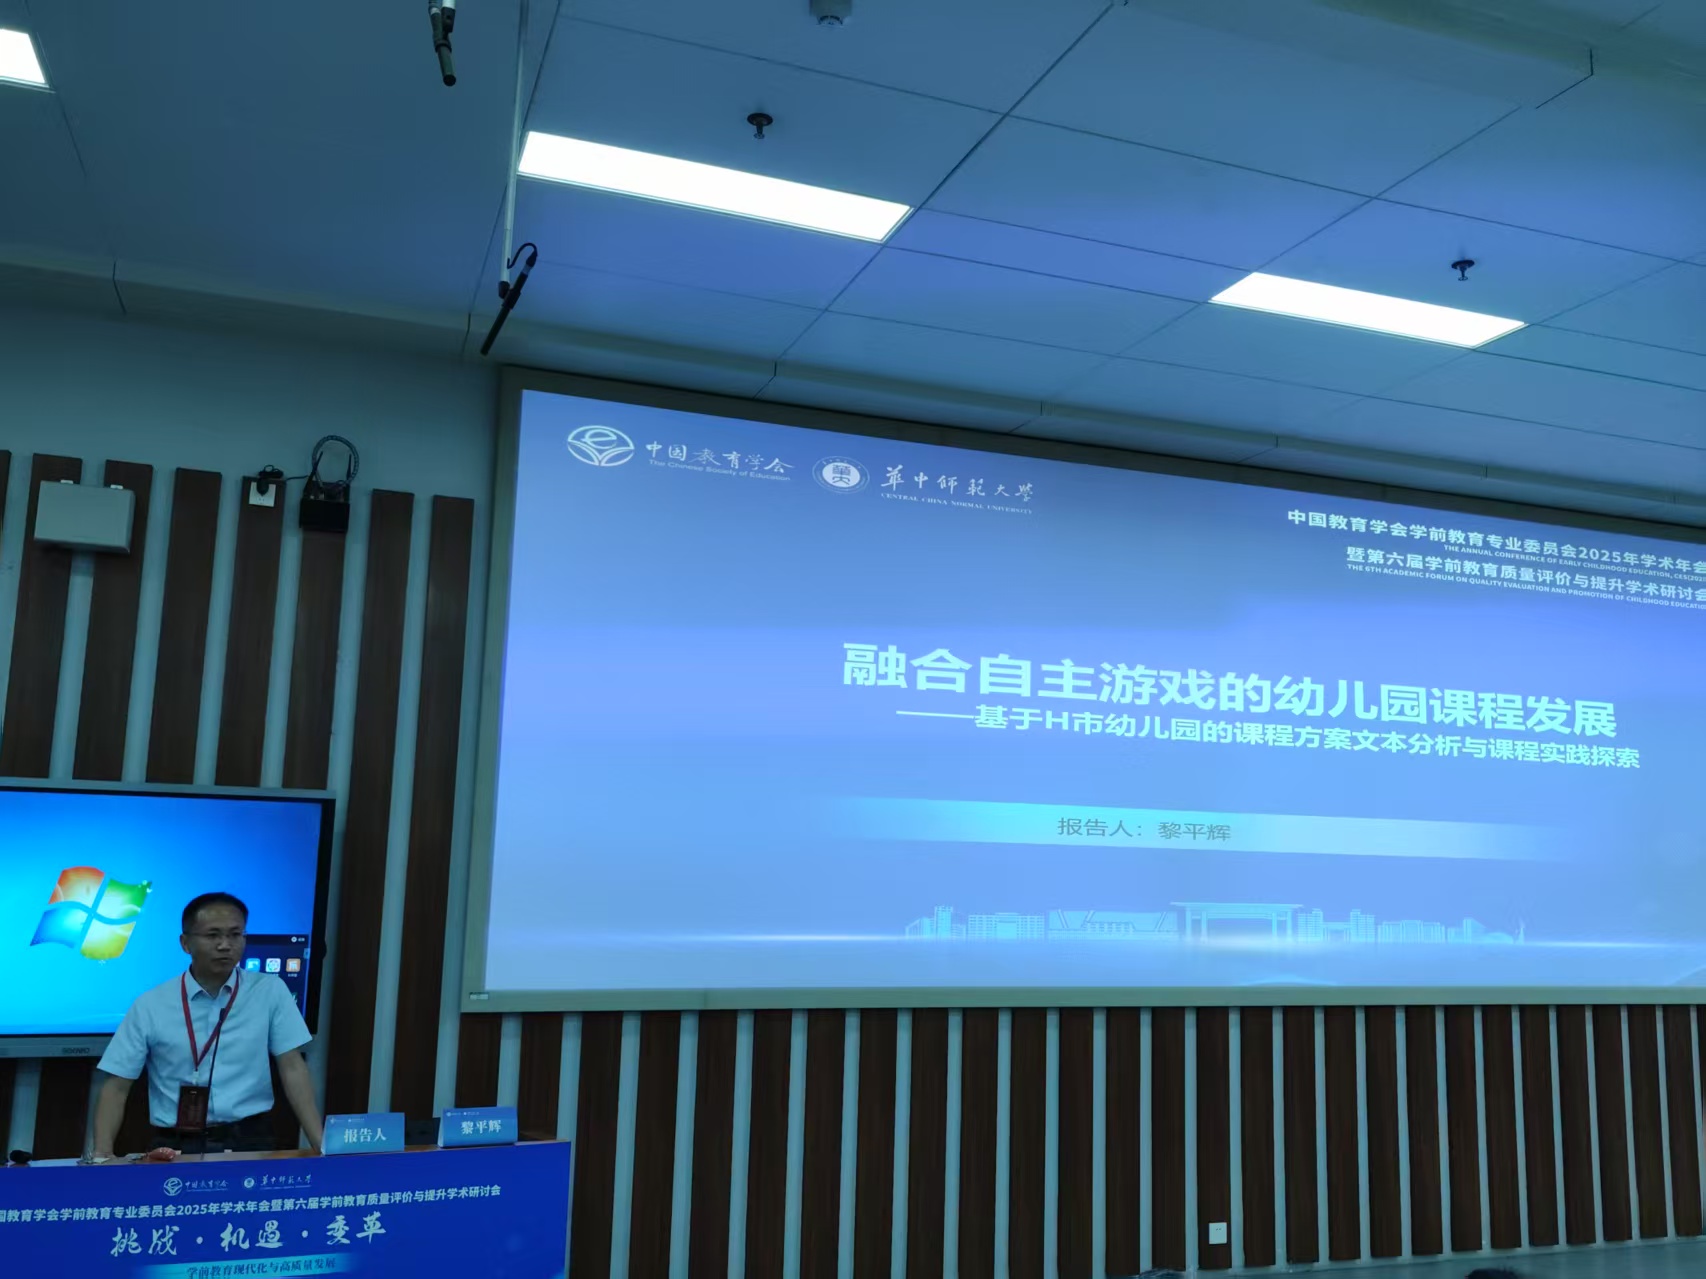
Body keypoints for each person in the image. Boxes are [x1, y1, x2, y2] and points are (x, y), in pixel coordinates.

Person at [88, 892, 324, 1160]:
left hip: (251, 1139)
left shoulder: (269, 991)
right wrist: (102, 1155)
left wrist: (320, 1145)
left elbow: (292, 1067)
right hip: (175, 1143)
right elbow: (117, 1085)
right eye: (213, 935)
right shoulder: (151, 1004)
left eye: (235, 935)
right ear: (185, 943)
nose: (225, 945)